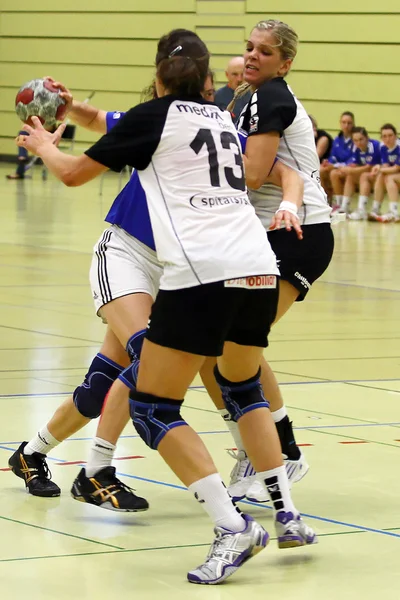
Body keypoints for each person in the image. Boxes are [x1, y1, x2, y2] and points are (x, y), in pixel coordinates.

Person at [17, 28, 316, 585]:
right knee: (241, 388)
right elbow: (277, 169)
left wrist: (43, 145)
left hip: (202, 271)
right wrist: (77, 107)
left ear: (157, 79)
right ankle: (285, 509)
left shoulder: (152, 117)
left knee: (153, 406)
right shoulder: (225, 120)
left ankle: (232, 528)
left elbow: (74, 173)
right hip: (257, 264)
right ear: (208, 84)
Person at [8, 72, 217, 505]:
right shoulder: (156, 121)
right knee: (149, 361)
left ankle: (30, 454)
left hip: (172, 271)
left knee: (101, 384)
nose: (211, 94)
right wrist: (60, 121)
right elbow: (103, 123)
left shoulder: (218, 132)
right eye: (210, 85)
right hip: (127, 255)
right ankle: (98, 470)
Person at [203, 18, 334, 504]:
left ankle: (281, 454)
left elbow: (254, 174)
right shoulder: (243, 98)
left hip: (297, 233)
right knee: (226, 353)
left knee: (234, 354)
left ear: (285, 63)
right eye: (249, 48)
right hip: (260, 236)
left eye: (264, 51)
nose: (253, 56)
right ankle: (263, 450)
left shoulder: (273, 96)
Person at [337, 127, 381, 218]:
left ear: (367, 138)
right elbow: (354, 163)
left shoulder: (374, 146)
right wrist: (347, 168)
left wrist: (351, 170)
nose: (358, 143)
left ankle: (362, 209)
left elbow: (369, 167)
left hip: (378, 175)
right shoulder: (356, 147)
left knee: (362, 175)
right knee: (350, 176)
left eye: (361, 139)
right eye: (355, 140)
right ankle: (344, 207)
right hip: (369, 175)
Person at [321, 111, 355, 209]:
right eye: (344, 122)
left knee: (334, 174)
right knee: (321, 169)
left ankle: (339, 204)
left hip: (348, 169)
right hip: (337, 167)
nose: (346, 125)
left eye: (349, 123)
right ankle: (324, 200)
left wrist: (336, 165)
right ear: (340, 123)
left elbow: (353, 159)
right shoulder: (337, 140)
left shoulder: (355, 140)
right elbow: (333, 156)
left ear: (353, 124)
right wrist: (328, 162)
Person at [368, 124, 400, 222]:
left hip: (397, 173)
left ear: (395, 136)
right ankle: (376, 209)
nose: (387, 139)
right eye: (384, 136)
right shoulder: (383, 147)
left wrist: (379, 169)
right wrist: (379, 167)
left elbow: (396, 168)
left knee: (389, 178)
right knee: (382, 175)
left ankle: (394, 212)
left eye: (390, 135)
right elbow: (386, 167)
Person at [214, 56, 251, 122]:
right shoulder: (216, 97)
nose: (239, 79)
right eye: (234, 74)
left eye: (242, 74)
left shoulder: (255, 95)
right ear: (227, 74)